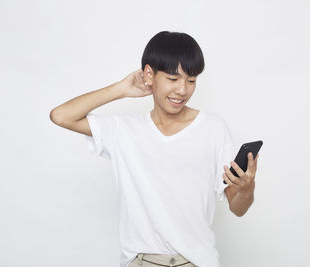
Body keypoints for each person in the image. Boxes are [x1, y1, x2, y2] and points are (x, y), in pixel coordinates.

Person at [50, 31, 258, 267]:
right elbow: (61, 116)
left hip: (196, 262)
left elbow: (238, 208)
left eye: (191, 81)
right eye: (173, 79)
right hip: (142, 261)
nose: (183, 90)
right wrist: (121, 88)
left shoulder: (213, 128)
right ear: (149, 74)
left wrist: (246, 188)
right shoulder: (124, 131)